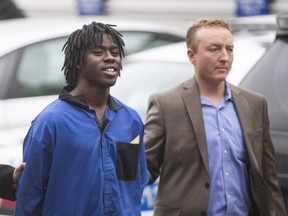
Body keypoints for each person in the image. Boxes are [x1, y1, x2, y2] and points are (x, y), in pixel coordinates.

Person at [144, 18, 287, 216]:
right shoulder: (166, 104)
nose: (224, 57)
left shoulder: (254, 104)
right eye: (214, 49)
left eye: (229, 49)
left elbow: (268, 177)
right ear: (192, 55)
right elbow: (143, 170)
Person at [15, 21, 149, 215]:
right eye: (98, 52)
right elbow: (29, 196)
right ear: (78, 61)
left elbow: (134, 182)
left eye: (114, 52)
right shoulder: (51, 122)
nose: (110, 57)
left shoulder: (130, 120)